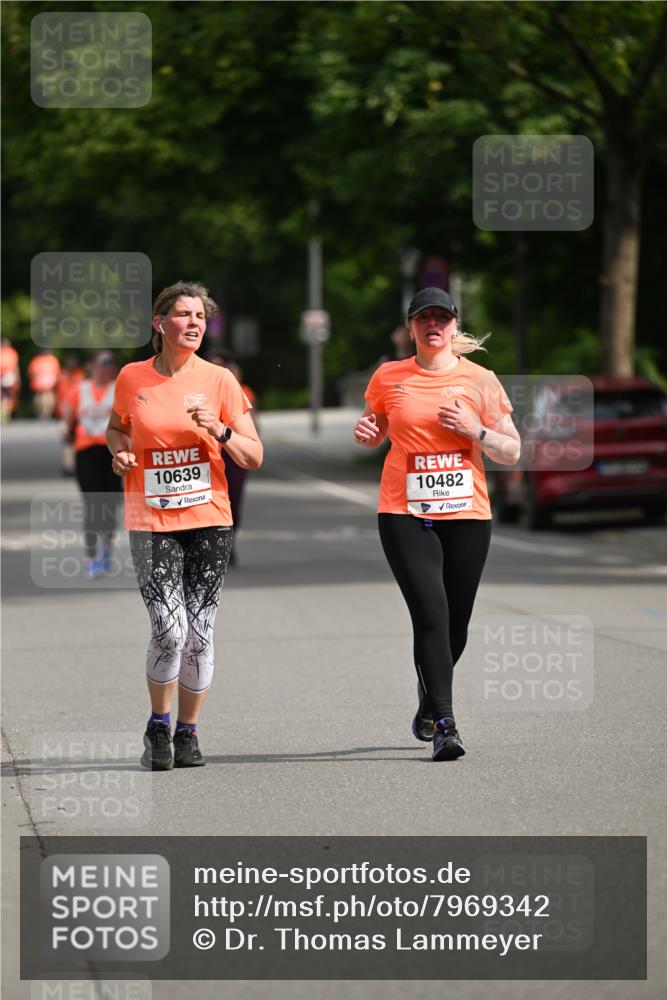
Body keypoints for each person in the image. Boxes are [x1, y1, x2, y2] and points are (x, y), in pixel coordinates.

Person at [354, 288, 520, 761]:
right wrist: (368, 433)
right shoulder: (389, 376)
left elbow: (512, 449)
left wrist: (477, 430)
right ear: (410, 328)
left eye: (442, 317)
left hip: (467, 513)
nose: (433, 324)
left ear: (453, 325)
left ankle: (428, 701)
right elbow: (376, 427)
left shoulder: (480, 380)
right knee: (431, 612)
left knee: (457, 624)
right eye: (423, 317)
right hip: (404, 512)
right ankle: (447, 724)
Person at [106, 281, 263, 771]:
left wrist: (219, 430)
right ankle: (158, 721)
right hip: (150, 519)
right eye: (184, 315)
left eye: (201, 316)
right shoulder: (132, 378)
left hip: (209, 520)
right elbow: (116, 428)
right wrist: (120, 452)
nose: (194, 323)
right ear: (159, 323)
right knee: (170, 630)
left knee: (200, 633)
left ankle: (188, 731)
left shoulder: (219, 381)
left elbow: (253, 455)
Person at [64, 351, 122, 578]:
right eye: (103, 363)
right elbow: (68, 425)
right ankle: (91, 556)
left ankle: (106, 547)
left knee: (110, 505)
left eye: (111, 363)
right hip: (86, 452)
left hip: (112, 453)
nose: (108, 367)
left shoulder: (120, 389)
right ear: (91, 366)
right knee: (91, 503)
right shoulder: (78, 390)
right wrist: (67, 457)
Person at [207, 350, 259, 566]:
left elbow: (253, 426)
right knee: (209, 501)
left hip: (233, 455)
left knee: (233, 501)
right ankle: (211, 547)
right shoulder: (198, 392)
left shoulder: (242, 391)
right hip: (209, 455)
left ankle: (229, 541)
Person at [57, 354, 85, 474]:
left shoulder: (81, 375)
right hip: (65, 411)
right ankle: (67, 465)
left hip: (79, 413)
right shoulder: (62, 376)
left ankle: (76, 463)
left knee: (76, 439)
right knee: (67, 440)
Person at [27, 349, 61, 419]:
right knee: (42, 397)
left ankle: (45, 412)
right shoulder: (49, 360)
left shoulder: (50, 360)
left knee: (46, 397)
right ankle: (43, 412)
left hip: (47, 383)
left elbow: (57, 372)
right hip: (41, 383)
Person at [0, 338, 21, 421]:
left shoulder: (12, 353)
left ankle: (5, 414)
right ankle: (4, 414)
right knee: (5, 397)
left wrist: (17, 377)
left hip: (8, 377)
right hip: (4, 376)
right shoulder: (10, 353)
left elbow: (15, 367)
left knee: (7, 397)